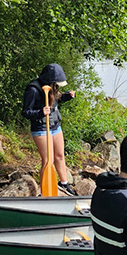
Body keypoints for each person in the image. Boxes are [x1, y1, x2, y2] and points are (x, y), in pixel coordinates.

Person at [22, 63, 76, 195]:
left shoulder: (53, 87)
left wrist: (67, 96)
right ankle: (43, 191)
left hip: (55, 126)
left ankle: (63, 183)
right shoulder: (33, 90)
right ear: (50, 80)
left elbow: (56, 100)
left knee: (60, 156)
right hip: (41, 128)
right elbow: (26, 112)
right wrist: (40, 112)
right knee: (48, 161)